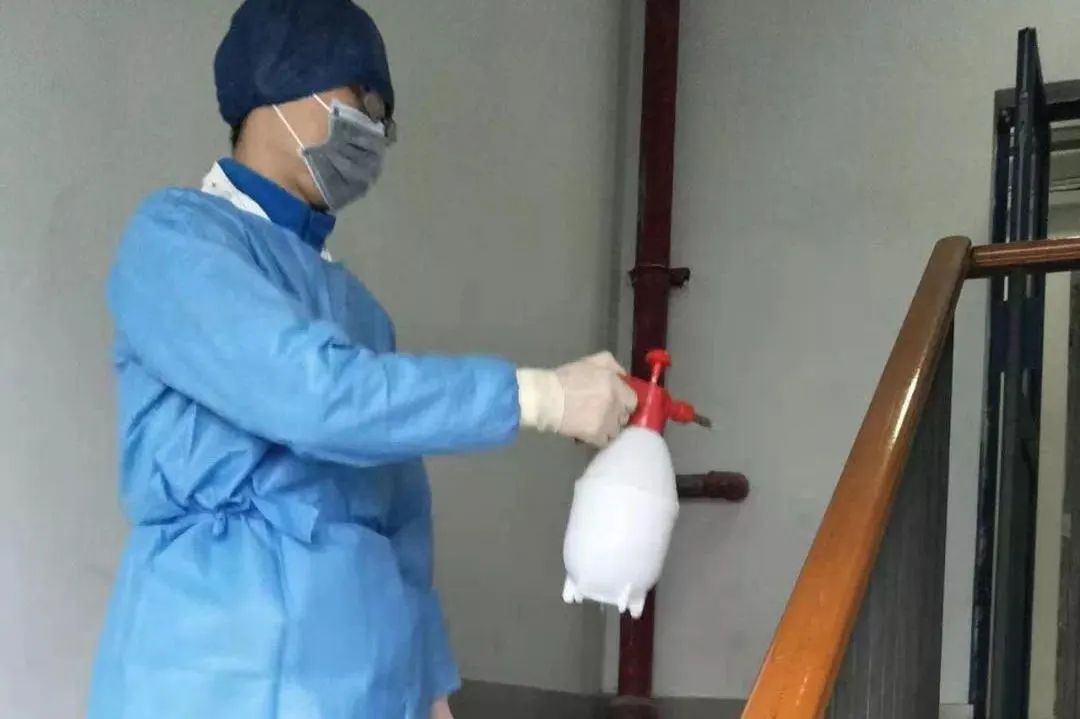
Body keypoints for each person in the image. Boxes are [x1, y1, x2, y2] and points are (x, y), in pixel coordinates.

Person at [86, 1, 637, 718]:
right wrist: (540, 396)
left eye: (383, 120)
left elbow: (401, 516)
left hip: (361, 685)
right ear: (283, 79)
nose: (374, 133)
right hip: (216, 676)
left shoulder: (358, 311)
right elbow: (317, 396)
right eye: (364, 104)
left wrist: (430, 689)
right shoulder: (177, 243)